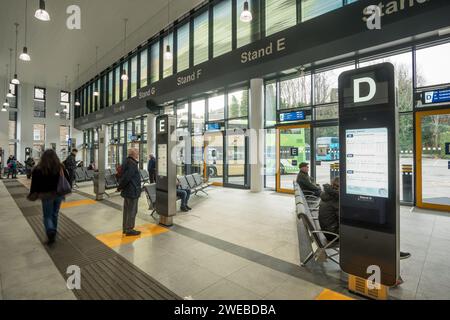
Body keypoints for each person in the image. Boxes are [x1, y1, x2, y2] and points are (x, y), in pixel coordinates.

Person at [27, 149, 71, 244]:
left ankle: (50, 230)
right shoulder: (60, 167)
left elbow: (34, 184)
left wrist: (33, 193)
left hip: (46, 195)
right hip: (58, 194)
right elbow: (68, 179)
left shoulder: (38, 168)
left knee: (47, 215)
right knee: (55, 214)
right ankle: (53, 231)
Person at [118, 148, 142, 236]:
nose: (138, 154)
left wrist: (121, 187)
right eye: (137, 153)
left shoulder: (126, 161)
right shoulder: (132, 163)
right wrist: (120, 187)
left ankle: (125, 228)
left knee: (127, 211)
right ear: (133, 154)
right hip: (132, 191)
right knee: (132, 211)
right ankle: (129, 229)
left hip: (128, 191)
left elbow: (124, 176)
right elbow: (127, 177)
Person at [318, 177, 340, 242]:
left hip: (327, 230)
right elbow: (341, 219)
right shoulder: (335, 198)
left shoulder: (327, 194)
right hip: (333, 234)